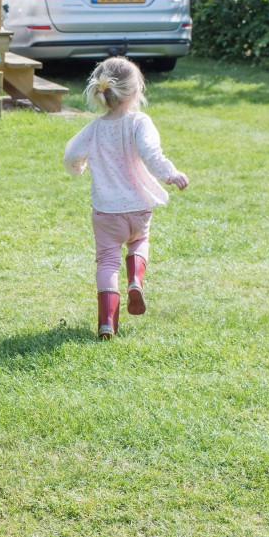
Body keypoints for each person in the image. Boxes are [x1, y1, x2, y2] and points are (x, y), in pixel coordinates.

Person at [63, 57, 189, 340]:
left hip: (106, 211)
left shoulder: (94, 129)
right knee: (140, 241)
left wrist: (78, 168)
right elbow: (151, 153)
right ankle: (135, 280)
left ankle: (107, 323)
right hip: (139, 207)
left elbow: (70, 155)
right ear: (135, 90)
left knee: (108, 262)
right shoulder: (139, 122)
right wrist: (171, 174)